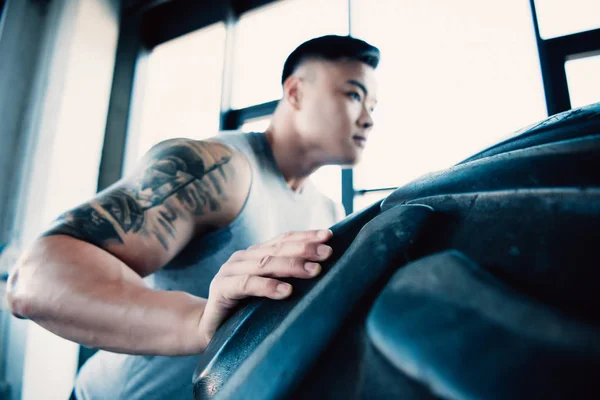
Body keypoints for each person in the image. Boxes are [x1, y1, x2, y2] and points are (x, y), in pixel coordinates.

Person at [7, 35, 379, 399]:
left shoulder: (329, 213)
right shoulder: (219, 170)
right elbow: (38, 275)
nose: (368, 119)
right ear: (295, 92)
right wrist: (197, 322)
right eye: (354, 95)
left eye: (373, 107)